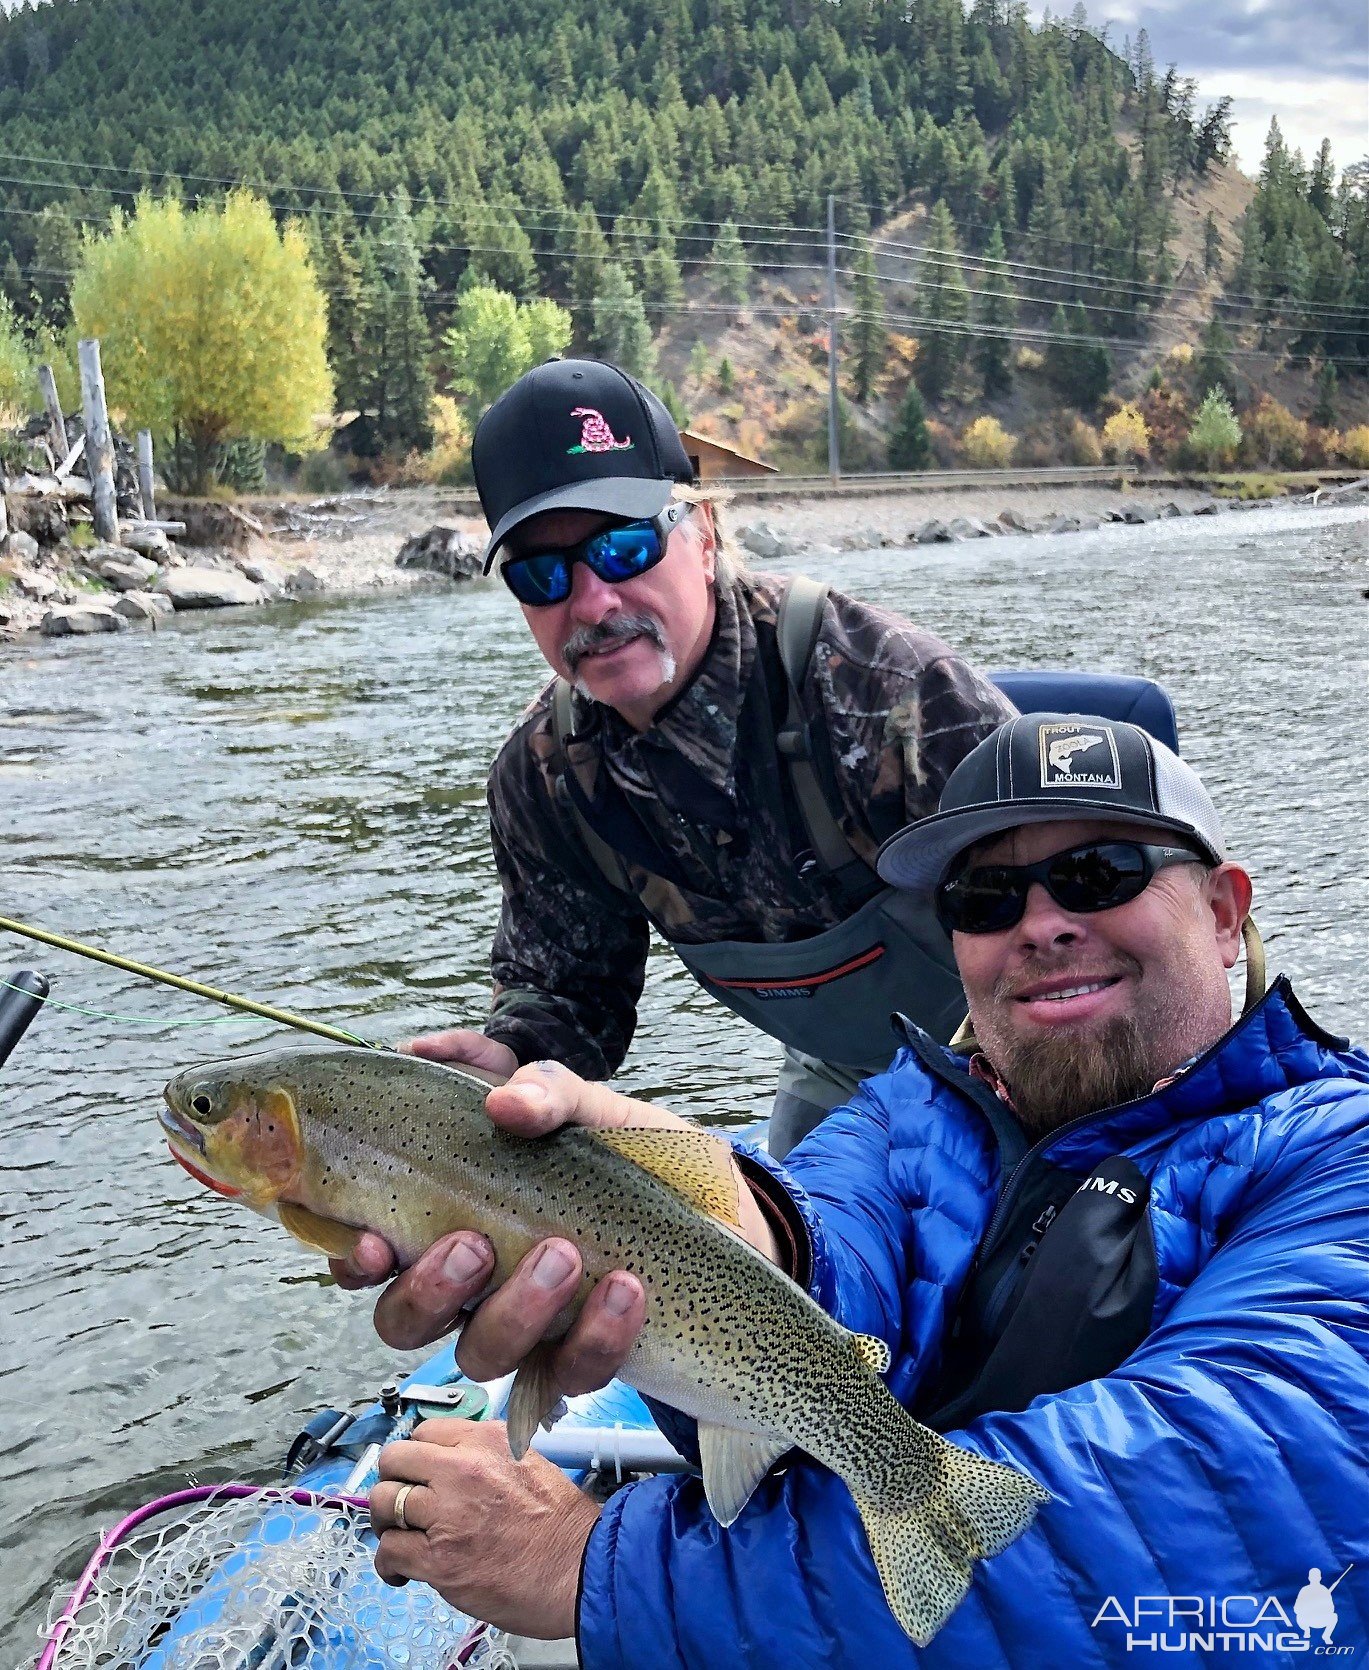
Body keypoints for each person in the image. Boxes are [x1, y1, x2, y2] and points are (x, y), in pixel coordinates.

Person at [356, 712, 1369, 1663]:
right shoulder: (898, 1117)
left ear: (1226, 911)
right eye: (987, 898)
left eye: (1099, 873)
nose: (1042, 924)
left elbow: (1210, 1506)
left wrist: (593, 1568)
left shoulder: (1342, 1160)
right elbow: (813, 1236)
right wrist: (717, 1228)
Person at [400, 356, 1013, 1161]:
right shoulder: (544, 778)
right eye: (541, 574)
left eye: (622, 547)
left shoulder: (885, 690)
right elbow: (568, 995)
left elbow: (1079, 932)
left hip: (1029, 1053)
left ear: (703, 535)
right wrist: (513, 1057)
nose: (591, 602)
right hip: (844, 1078)